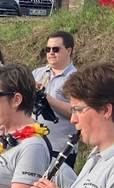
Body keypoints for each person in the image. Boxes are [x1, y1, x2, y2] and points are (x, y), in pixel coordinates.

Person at [31, 31, 79, 166]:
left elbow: (77, 112)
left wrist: (47, 99)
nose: (51, 53)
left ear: (69, 51)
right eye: (48, 49)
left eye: (56, 49)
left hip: (60, 148)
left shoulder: (76, 78)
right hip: (34, 144)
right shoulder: (37, 73)